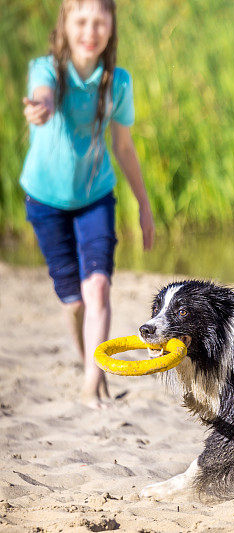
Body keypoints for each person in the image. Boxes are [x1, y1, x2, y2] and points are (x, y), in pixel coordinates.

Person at [20, 0, 154, 408]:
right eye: (81, 21)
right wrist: (40, 107)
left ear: (111, 26)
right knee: (74, 301)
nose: (90, 30)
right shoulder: (46, 70)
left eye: (100, 21)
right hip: (45, 200)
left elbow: (125, 147)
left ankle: (92, 383)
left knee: (97, 288)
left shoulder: (119, 82)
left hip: (96, 195)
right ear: (65, 24)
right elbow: (41, 95)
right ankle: (87, 363)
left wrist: (144, 205)